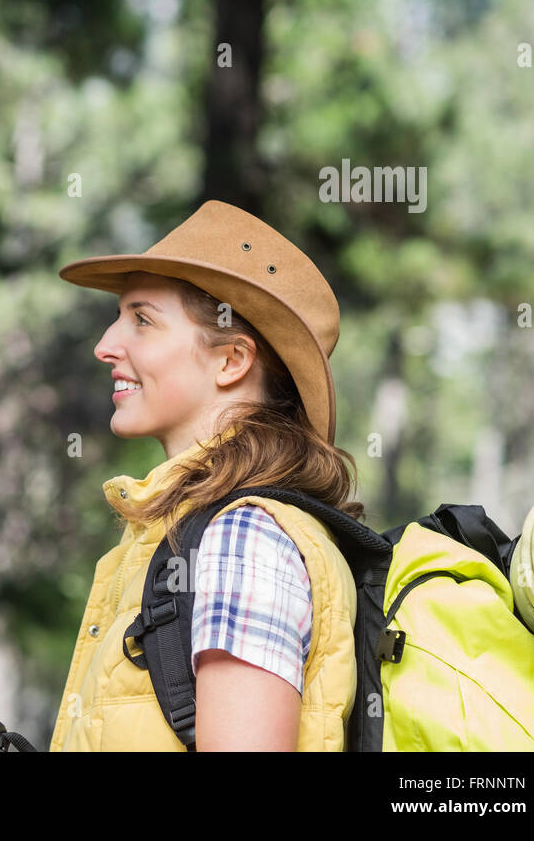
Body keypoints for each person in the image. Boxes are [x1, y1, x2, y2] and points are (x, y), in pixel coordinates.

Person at [47, 199, 362, 751]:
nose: (105, 346)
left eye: (142, 320)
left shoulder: (242, 539)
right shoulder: (187, 529)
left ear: (230, 361)